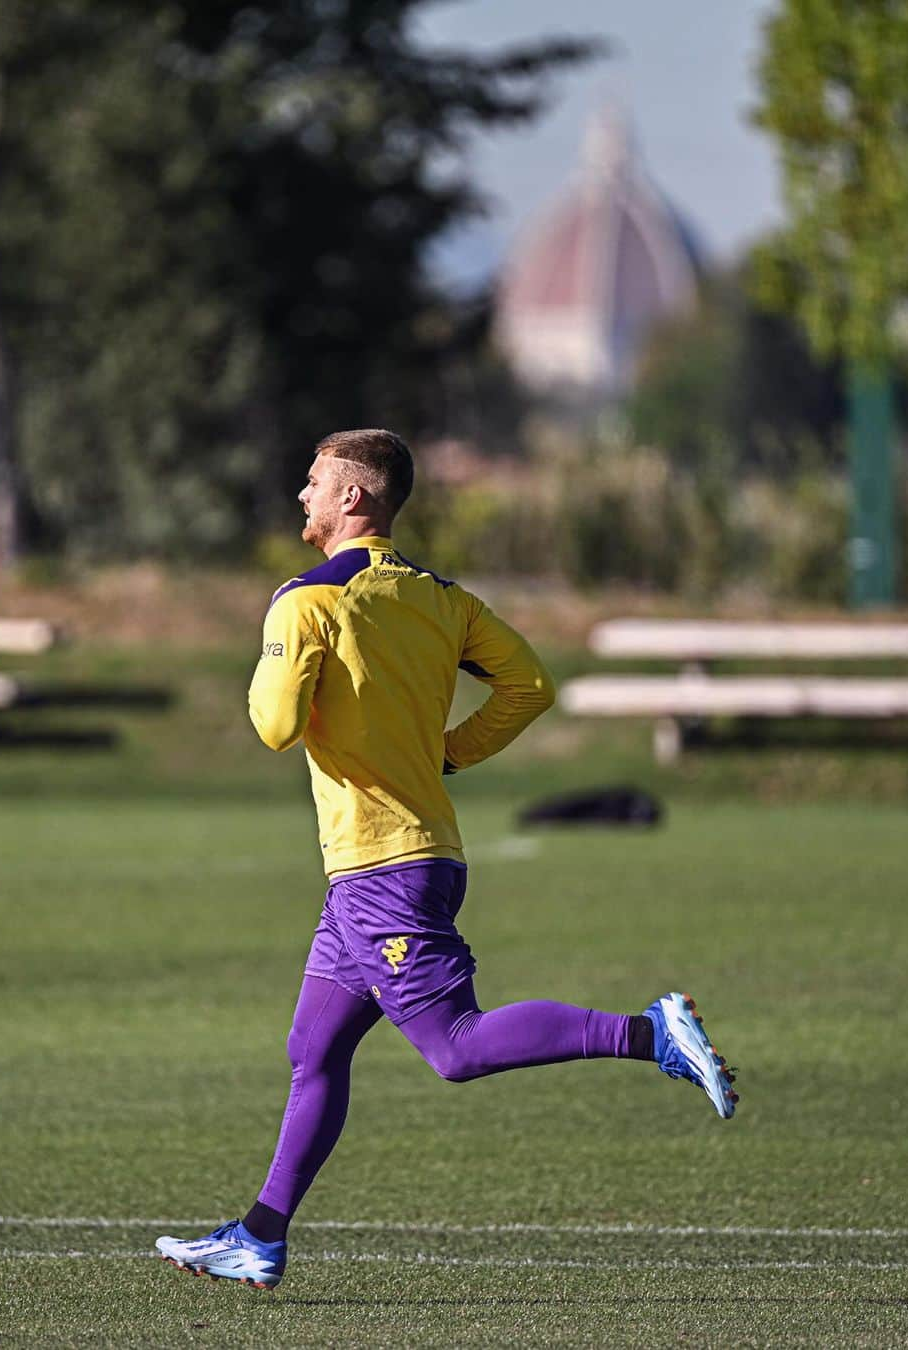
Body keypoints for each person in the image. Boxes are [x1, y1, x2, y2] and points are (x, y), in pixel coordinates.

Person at [156, 429, 737, 1291]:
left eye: (314, 483)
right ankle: (261, 1236)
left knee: (456, 1047)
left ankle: (651, 1032)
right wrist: (450, 755)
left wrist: (282, 651)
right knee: (314, 1049)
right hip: (406, 861)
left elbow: (274, 727)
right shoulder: (440, 598)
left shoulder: (305, 601)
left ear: (355, 497)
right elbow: (530, 686)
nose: (302, 498)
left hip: (381, 870)